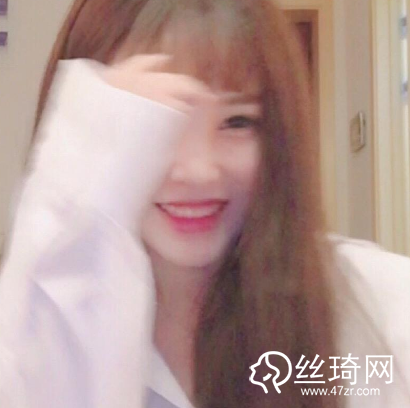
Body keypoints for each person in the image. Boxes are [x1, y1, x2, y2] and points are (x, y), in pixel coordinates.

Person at [0, 0, 409, 408]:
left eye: (237, 122)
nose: (198, 171)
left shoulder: (382, 309)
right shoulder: (28, 333)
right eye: (157, 117)